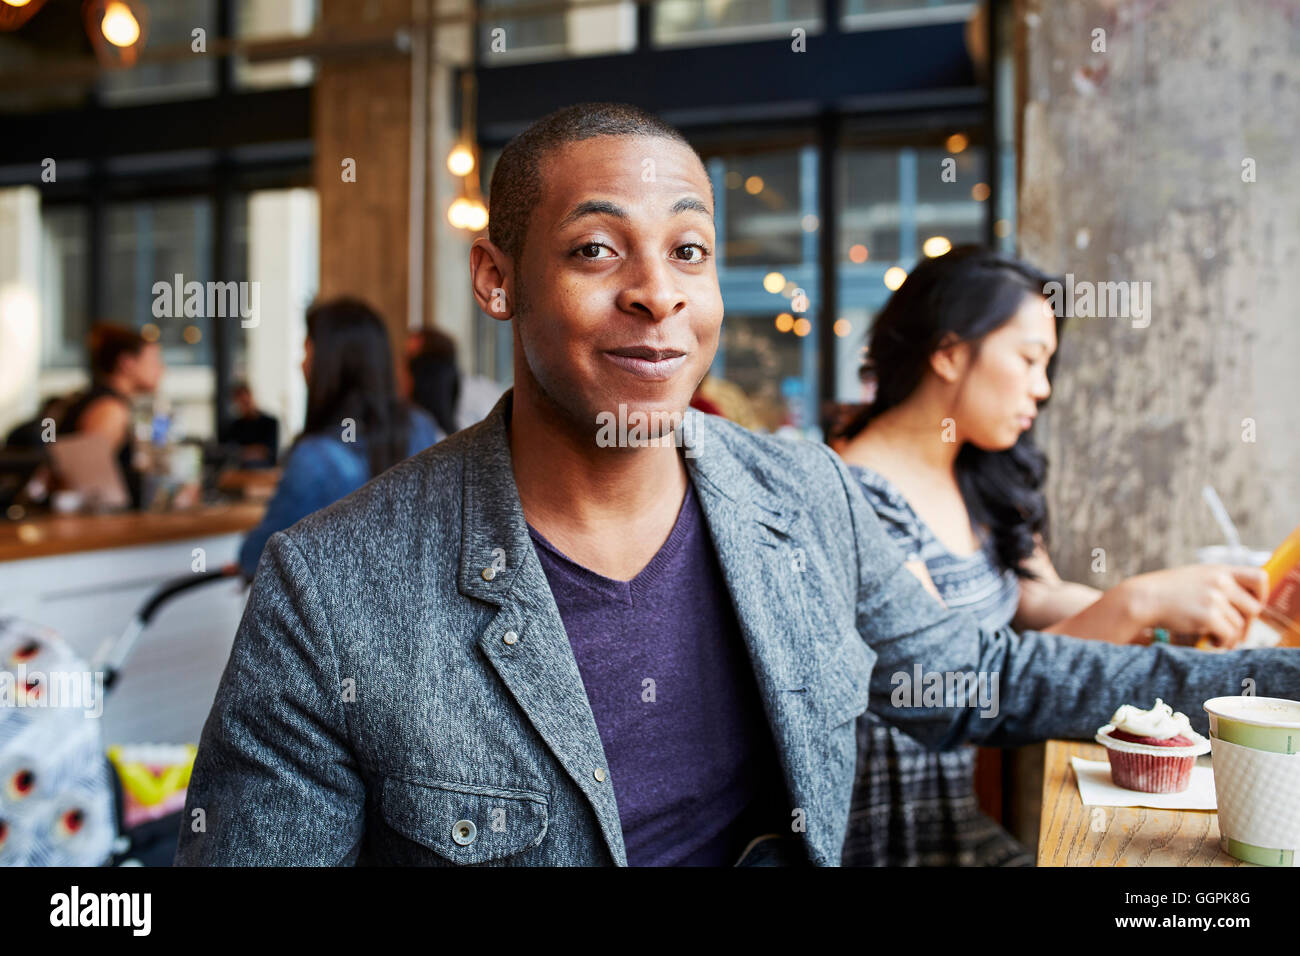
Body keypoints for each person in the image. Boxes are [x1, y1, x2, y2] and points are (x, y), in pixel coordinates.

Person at [176, 103, 1300, 868]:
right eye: (595, 251)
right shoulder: (332, 590)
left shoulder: (800, 493)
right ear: (497, 277)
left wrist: (1274, 678)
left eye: (690, 250)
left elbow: (977, 676)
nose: (656, 295)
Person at [830, 246, 1271, 867]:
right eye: (1031, 360)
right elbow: (953, 682)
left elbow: (1035, 594)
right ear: (950, 353)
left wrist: (1170, 612)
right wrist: (1135, 603)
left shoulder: (974, 470)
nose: (1042, 390)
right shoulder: (857, 492)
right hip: (899, 828)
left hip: (963, 802)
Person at [235, 297, 442, 580]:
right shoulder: (421, 428)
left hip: (330, 621)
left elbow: (259, 557)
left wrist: (244, 556)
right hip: (419, 613)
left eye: (306, 351)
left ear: (328, 364)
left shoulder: (315, 459)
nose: (302, 364)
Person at [57, 323, 164, 509]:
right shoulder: (110, 409)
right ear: (127, 363)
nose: (162, 370)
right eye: (154, 362)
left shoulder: (98, 400)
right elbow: (86, 483)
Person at [218, 382, 279, 469]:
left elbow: (268, 452)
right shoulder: (235, 426)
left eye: (245, 401)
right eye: (240, 403)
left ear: (251, 397)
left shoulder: (270, 422)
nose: (244, 406)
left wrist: (241, 452)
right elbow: (227, 451)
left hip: (263, 472)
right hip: (240, 472)